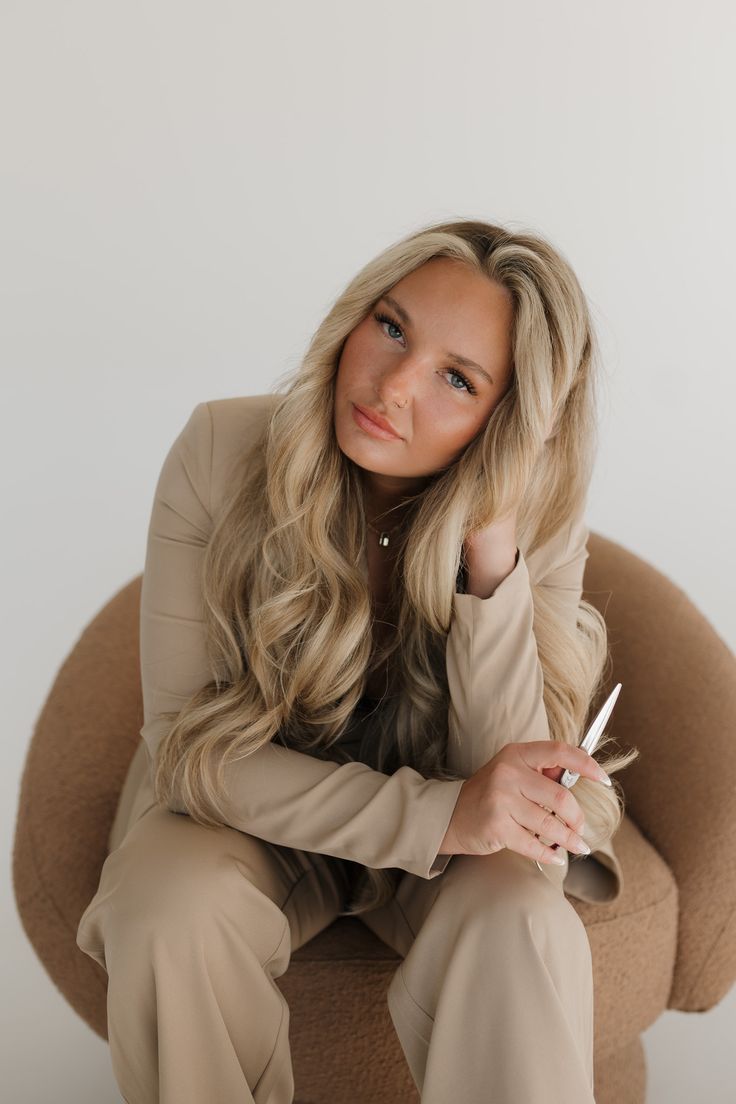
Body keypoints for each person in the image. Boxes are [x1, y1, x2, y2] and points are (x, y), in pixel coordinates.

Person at [76, 218, 639, 1104]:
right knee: (165, 907)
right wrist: (439, 818)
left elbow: (512, 793)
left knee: (520, 919)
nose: (394, 384)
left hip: (449, 832)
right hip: (245, 818)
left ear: (509, 422)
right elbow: (191, 753)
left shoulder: (536, 517)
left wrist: (490, 546)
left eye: (458, 379)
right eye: (391, 327)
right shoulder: (219, 453)